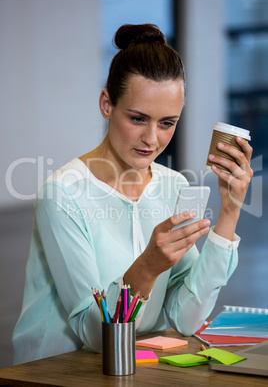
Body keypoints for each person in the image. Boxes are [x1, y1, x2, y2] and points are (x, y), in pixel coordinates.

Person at [12, 24, 253, 365]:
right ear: (107, 104)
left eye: (167, 123)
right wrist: (147, 267)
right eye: (138, 118)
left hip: (135, 366)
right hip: (57, 370)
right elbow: (95, 335)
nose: (151, 139)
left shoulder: (174, 187)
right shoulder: (63, 194)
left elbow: (188, 319)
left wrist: (230, 211)